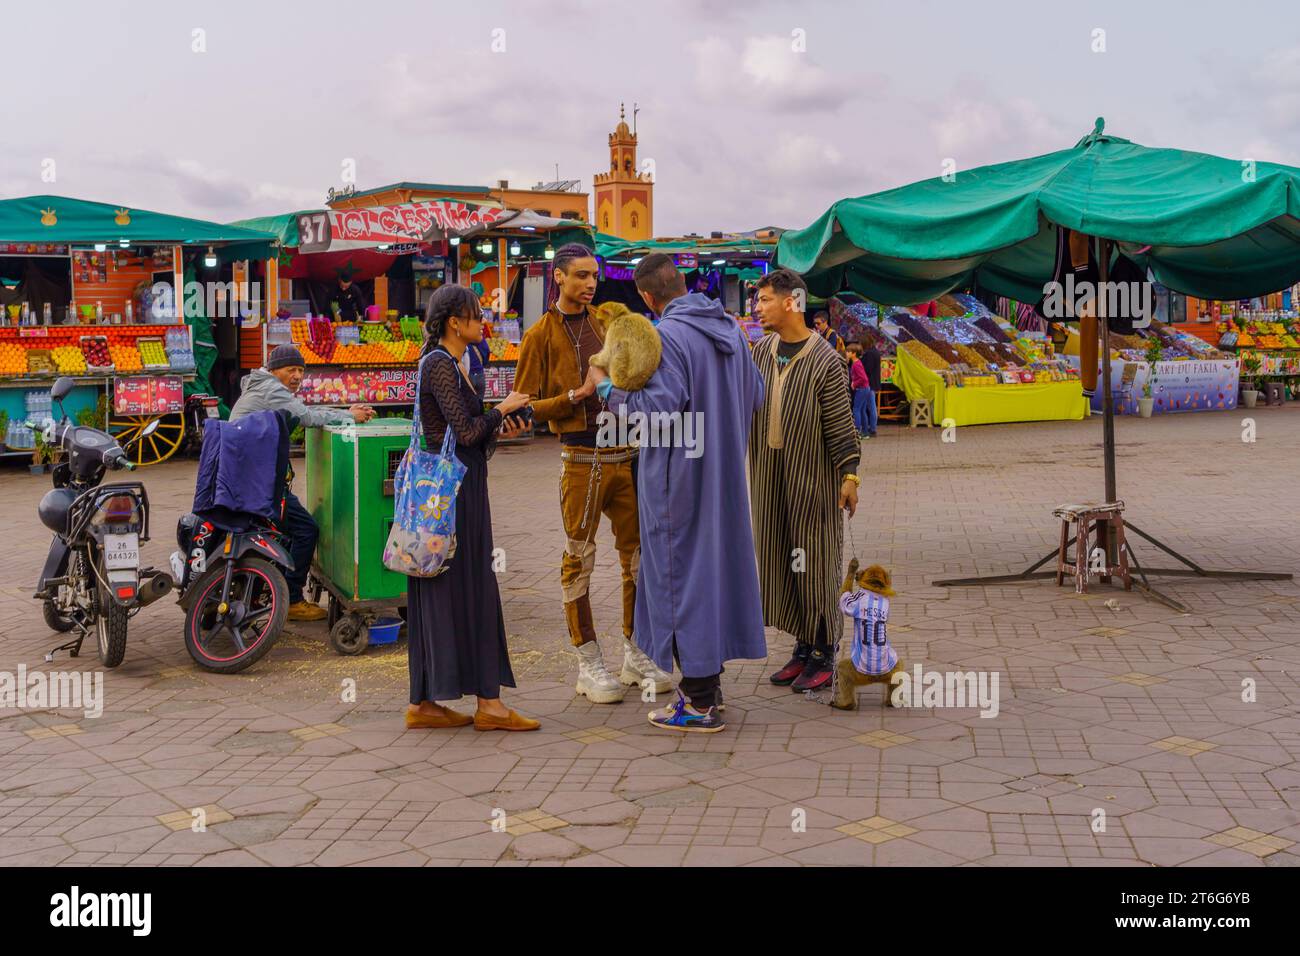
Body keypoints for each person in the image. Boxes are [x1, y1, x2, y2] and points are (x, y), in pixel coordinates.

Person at [585, 253, 766, 733]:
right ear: (682, 284)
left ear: (646, 297)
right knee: (711, 574)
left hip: (679, 480)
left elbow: (657, 412)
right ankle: (710, 687)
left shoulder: (668, 337)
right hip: (723, 473)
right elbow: (757, 395)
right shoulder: (732, 330)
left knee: (678, 577)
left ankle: (700, 702)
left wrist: (607, 391)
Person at [514, 243, 671, 704]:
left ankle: (634, 650)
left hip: (628, 454)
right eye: (580, 276)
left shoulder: (610, 322)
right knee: (579, 560)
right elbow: (521, 411)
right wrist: (574, 397)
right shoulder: (538, 335)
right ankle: (588, 662)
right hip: (580, 460)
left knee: (638, 560)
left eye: (593, 276)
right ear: (557, 277)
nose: (589, 284)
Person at [405, 284, 539, 731]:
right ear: (453, 323)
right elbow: (464, 432)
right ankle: (489, 704)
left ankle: (425, 702)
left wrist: (500, 424)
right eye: (475, 315)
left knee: (441, 584)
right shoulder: (440, 364)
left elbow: (470, 432)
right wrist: (502, 409)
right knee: (470, 585)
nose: (483, 322)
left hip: (454, 489)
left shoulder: (453, 363)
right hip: (454, 495)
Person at [749, 269, 860, 692]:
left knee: (814, 560)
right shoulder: (759, 353)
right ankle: (802, 646)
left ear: (791, 301)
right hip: (768, 477)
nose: (758, 308)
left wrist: (850, 474)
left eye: (764, 300)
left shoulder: (825, 360)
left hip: (812, 478)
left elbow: (839, 423)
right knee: (780, 557)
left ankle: (825, 649)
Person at [229, 345, 376, 621]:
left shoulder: (265, 387)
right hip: (256, 485)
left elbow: (302, 409)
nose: (297, 376)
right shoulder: (270, 389)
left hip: (249, 479)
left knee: (288, 532)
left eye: (301, 370)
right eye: (290, 370)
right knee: (306, 530)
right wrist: (347, 416)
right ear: (274, 371)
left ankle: (276, 590)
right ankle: (293, 600)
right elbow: (307, 417)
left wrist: (344, 411)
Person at [846, 342, 877, 439]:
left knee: (856, 409)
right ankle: (865, 432)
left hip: (862, 389)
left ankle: (858, 431)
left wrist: (854, 383)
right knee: (862, 410)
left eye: (848, 351)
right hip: (865, 388)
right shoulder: (858, 362)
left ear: (854, 353)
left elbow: (863, 378)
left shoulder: (856, 364)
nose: (846, 353)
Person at [861, 340, 881, 437]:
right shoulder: (876, 352)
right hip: (874, 382)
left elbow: (867, 369)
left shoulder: (869, 354)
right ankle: (872, 427)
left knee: (870, 406)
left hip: (869, 383)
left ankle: (872, 429)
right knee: (872, 406)